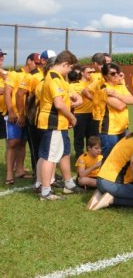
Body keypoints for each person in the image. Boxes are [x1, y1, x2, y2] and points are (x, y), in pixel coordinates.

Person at [35, 50, 83, 200]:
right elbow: (59, 104)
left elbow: (70, 95)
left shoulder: (58, 78)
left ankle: (47, 186)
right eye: (69, 68)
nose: (70, 71)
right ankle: (45, 190)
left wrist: (75, 100)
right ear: (65, 64)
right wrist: (72, 117)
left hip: (58, 123)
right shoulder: (54, 78)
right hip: (53, 122)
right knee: (49, 156)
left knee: (56, 153)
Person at [87, 132, 133, 210]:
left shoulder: (132, 137)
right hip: (112, 183)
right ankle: (111, 199)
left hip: (100, 180)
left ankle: (100, 193)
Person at [3, 53, 37, 184]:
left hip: (26, 115)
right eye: (35, 62)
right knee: (13, 143)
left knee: (22, 143)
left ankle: (20, 170)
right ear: (29, 61)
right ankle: (9, 174)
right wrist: (11, 111)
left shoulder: (33, 76)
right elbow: (7, 92)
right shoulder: (15, 74)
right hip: (15, 115)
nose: (37, 65)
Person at [97, 63, 133, 159]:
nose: (117, 75)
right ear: (106, 76)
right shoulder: (104, 89)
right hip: (110, 131)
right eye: (113, 74)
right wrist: (125, 99)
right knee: (109, 159)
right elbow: (120, 106)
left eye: (118, 72)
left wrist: (116, 94)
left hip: (122, 128)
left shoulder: (120, 86)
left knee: (120, 158)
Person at [69, 64, 97, 159]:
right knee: (79, 138)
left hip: (92, 114)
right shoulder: (76, 84)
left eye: (93, 72)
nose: (92, 74)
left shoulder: (93, 82)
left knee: (92, 138)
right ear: (82, 73)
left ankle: (90, 159)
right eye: (89, 72)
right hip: (79, 114)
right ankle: (80, 159)